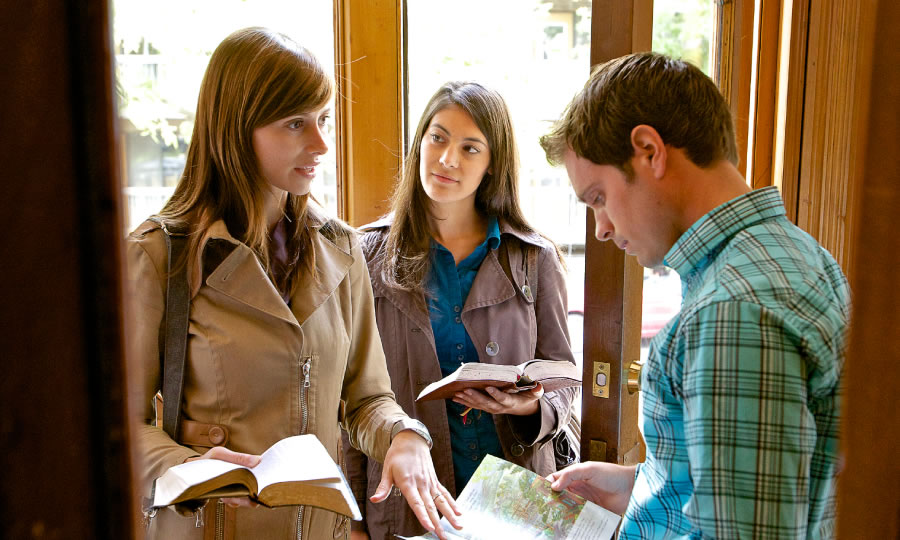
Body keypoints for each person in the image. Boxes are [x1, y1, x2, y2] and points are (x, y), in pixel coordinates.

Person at [126, 27, 461, 540]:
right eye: (295, 123)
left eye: (324, 119)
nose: (322, 143)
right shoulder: (158, 255)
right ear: (236, 128)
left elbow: (366, 397)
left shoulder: (343, 248)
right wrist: (191, 468)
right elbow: (111, 430)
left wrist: (403, 435)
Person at [541, 52, 849, 538]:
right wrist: (638, 486)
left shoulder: (732, 312)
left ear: (648, 150)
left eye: (598, 198)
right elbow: (760, 486)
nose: (600, 229)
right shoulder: (790, 253)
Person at [342, 81, 579, 539]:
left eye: (471, 148)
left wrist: (526, 407)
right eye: (438, 137)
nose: (448, 158)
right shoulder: (365, 254)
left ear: (492, 165)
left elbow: (563, 377)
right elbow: (350, 398)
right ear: (419, 144)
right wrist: (352, 519)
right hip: (409, 500)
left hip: (517, 499)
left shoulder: (533, 258)